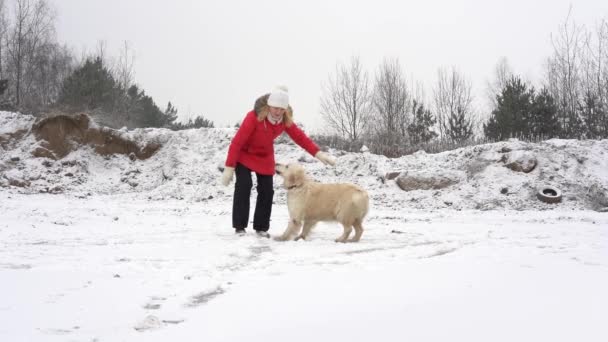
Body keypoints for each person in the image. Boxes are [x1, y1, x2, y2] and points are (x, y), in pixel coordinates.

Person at [221, 85, 335, 237]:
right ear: (269, 105)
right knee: (244, 184)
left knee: (267, 190)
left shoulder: (284, 120)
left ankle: (261, 227)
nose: (278, 112)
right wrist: (229, 168)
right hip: (245, 154)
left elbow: (300, 138)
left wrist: (318, 153)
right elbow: (237, 142)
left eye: (282, 109)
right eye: (275, 108)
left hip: (265, 155)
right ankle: (240, 226)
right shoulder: (253, 117)